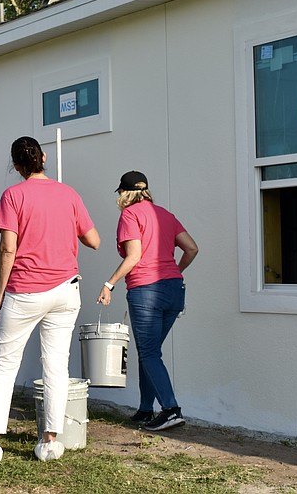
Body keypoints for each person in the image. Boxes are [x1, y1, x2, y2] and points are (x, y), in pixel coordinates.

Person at [0, 136, 100, 463]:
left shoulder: (13, 195)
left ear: (16, 165)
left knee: (4, 363)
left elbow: (8, 248)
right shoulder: (68, 194)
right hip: (65, 290)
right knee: (56, 365)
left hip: (24, 291)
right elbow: (94, 240)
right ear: (43, 157)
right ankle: (50, 442)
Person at [96, 171, 198, 432]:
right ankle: (145, 409)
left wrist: (109, 284)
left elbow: (133, 257)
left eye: (119, 193)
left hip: (147, 291)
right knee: (150, 351)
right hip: (174, 290)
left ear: (124, 193)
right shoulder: (165, 214)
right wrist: (174, 271)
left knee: (149, 352)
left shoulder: (130, 215)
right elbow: (192, 248)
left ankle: (171, 409)